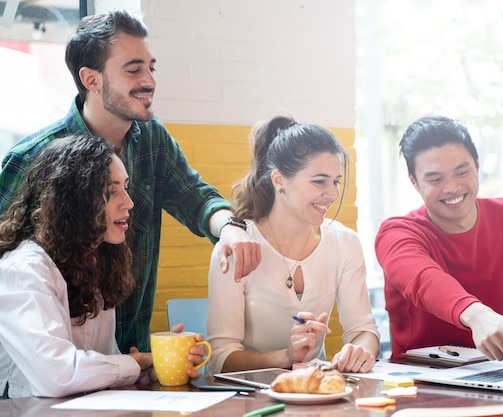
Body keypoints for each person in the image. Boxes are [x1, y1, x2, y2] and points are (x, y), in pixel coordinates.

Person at [0, 10, 260, 353]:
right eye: (133, 69)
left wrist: (229, 226)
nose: (149, 80)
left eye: (151, 67)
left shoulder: (152, 139)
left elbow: (195, 197)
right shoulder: (32, 157)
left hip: (131, 361)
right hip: (48, 374)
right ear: (91, 80)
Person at [0, 135, 205, 399]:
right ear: (72, 202)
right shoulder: (24, 269)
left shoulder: (96, 261)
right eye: (111, 192)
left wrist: (153, 369)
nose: (129, 203)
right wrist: (135, 364)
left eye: (126, 187)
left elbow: (102, 367)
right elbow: (59, 376)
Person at [207, 116, 380, 375]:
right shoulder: (238, 247)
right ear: (279, 180)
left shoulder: (345, 243)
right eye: (319, 181)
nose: (332, 194)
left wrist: (361, 349)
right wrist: (284, 357)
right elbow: (220, 359)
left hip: (314, 399)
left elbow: (364, 331)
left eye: (335, 181)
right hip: (247, 401)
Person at [375, 115, 503, 361]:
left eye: (461, 172)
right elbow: (424, 280)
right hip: (421, 383)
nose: (452, 187)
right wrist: (477, 315)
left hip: (495, 371)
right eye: (435, 179)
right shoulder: (396, 233)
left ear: (476, 165)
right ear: (415, 183)